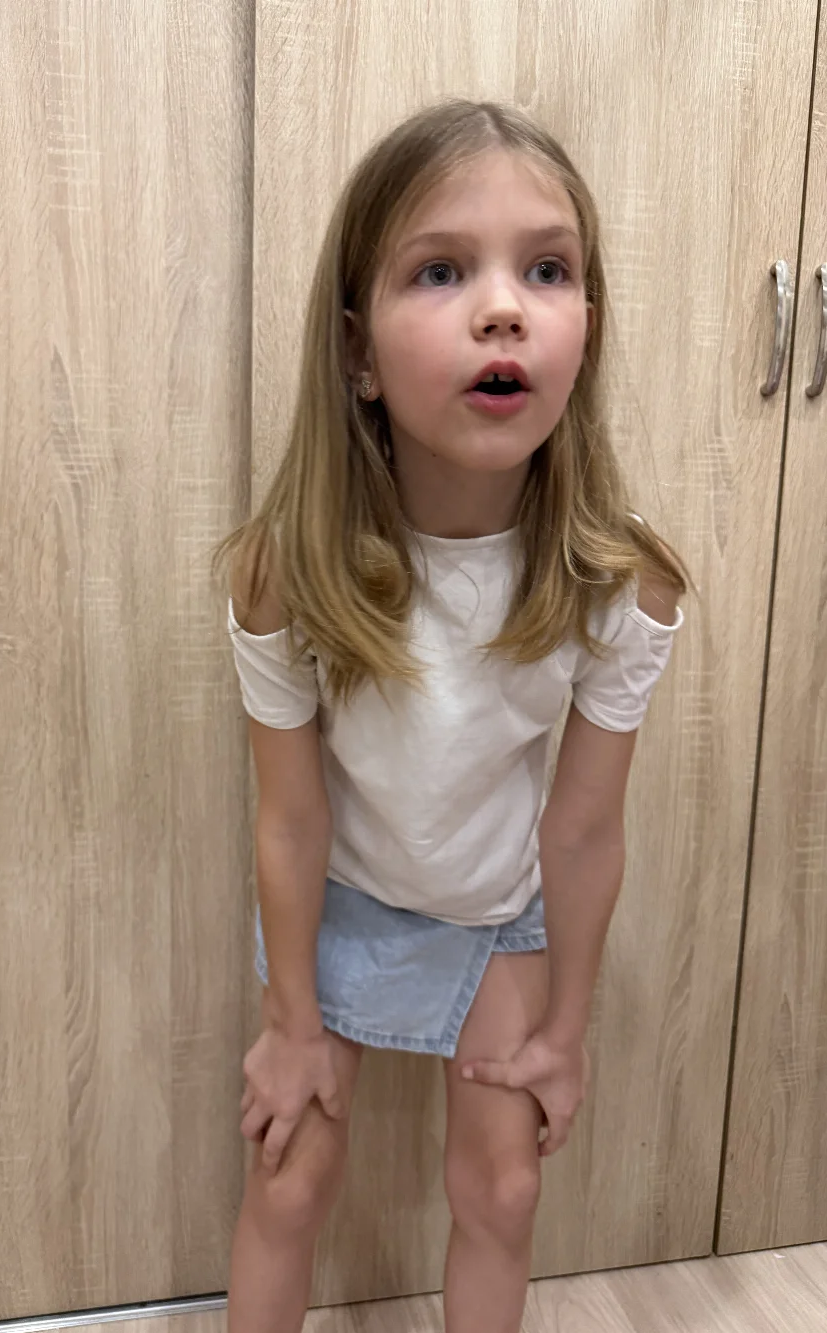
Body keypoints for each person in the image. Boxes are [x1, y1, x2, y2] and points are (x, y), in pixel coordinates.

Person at [216, 99, 688, 1333]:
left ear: (586, 331)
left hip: (496, 908)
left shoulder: (617, 582)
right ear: (357, 354)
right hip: (340, 896)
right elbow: (290, 820)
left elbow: (581, 831)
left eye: (548, 270)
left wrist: (566, 1032)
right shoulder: (287, 570)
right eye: (441, 271)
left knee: (503, 1187)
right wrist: (289, 1023)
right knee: (288, 1172)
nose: (503, 309)